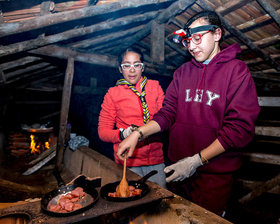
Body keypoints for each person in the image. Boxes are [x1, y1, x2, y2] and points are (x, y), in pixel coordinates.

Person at [117, 11, 260, 215]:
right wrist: (138, 134)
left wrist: (196, 161)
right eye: (187, 41)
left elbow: (239, 129)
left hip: (214, 177)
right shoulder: (182, 73)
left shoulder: (237, 72)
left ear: (217, 34)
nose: (191, 46)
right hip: (178, 171)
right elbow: (167, 114)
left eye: (197, 38)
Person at [98, 47, 166, 188]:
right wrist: (124, 134)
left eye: (136, 65)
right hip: (127, 163)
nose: (132, 70)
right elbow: (103, 132)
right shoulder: (113, 94)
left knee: (160, 202)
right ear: (120, 69)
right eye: (126, 65)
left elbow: (165, 119)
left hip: (156, 161)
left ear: (143, 67)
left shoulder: (155, 87)